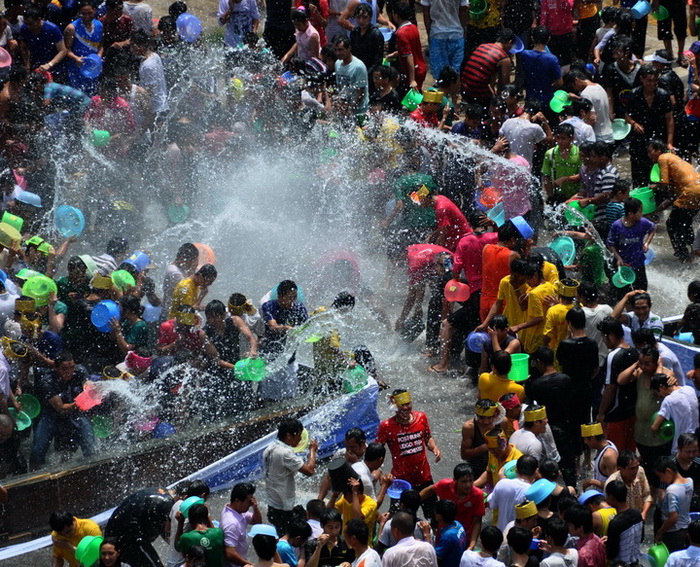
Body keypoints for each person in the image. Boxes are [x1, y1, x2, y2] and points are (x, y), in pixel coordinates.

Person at [376, 389, 441, 516]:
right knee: (399, 518)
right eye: (402, 405)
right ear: (394, 406)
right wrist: (378, 472)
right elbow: (377, 450)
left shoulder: (421, 417)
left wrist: (434, 448)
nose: (406, 408)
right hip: (401, 482)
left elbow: (428, 437)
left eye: (408, 404)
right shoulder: (386, 426)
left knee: (433, 516)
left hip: (424, 478)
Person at [29, 351, 97, 469]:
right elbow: (60, 408)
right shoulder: (47, 381)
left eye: (72, 367)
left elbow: (87, 383)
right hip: (51, 415)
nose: (69, 371)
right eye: (65, 369)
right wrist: (81, 401)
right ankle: (34, 477)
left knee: (90, 444)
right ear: (56, 368)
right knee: (38, 449)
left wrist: (90, 388)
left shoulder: (79, 370)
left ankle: (92, 470)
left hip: (75, 413)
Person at [263, 417, 318, 534]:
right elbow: (309, 471)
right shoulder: (285, 453)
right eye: (298, 435)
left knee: (282, 535)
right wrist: (313, 451)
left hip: (273, 504)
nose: (300, 439)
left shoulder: (269, 448)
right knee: (293, 538)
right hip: (284, 509)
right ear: (288, 436)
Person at [648, 139, 700, 262]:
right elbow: (671, 199)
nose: (648, 155)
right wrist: (655, 211)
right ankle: (694, 250)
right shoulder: (675, 161)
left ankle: (683, 255)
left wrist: (650, 187)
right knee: (685, 223)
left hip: (691, 191)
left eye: (650, 151)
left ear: (658, 150)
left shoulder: (663, 158)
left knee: (672, 224)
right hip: (697, 190)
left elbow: (663, 183)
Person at [595, 316, 639, 452]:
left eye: (604, 336)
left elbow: (610, 388)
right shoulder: (634, 351)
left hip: (615, 415)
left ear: (612, 336)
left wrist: (601, 414)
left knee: (612, 452)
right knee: (629, 453)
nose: (603, 340)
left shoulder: (614, 356)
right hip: (631, 412)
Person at [419, 463, 485, 551]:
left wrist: (472, 545)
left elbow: (477, 522)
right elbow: (430, 490)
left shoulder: (478, 495)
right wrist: (412, 501)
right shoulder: (445, 485)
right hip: (443, 534)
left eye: (471, 480)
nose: (469, 485)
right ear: (455, 480)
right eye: (464, 481)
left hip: (463, 538)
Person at [105, 488, 175, 567]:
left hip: (117, 532)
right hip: (126, 538)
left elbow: (167, 533)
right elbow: (167, 530)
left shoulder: (164, 494)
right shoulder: (168, 504)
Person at [607, 197, 656, 293]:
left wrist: (646, 243)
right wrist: (618, 257)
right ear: (631, 214)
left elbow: (653, 228)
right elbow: (610, 244)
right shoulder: (617, 226)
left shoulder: (643, 222)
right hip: (623, 265)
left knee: (642, 290)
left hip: (638, 263)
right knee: (623, 292)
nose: (642, 214)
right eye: (640, 211)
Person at [461, 28, 514, 109]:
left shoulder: (482, 46)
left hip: (465, 90)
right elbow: (505, 85)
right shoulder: (504, 58)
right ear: (509, 42)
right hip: (479, 95)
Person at [651, 373, 700, 454]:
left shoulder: (669, 400)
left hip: (682, 445)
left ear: (661, 387)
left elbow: (655, 427)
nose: (660, 396)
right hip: (697, 440)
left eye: (657, 393)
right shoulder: (690, 389)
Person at [63, 1, 103, 96]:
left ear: (95, 10)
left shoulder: (99, 25)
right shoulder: (72, 28)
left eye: (89, 13)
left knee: (93, 95)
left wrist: (98, 57)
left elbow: (101, 45)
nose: (86, 16)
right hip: (76, 69)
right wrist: (76, 58)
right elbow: (65, 50)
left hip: (94, 67)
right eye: (83, 14)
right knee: (79, 97)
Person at [655, 456, 694, 552]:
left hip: (674, 534)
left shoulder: (672, 490)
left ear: (668, 471)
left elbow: (673, 518)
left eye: (661, 476)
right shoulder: (690, 482)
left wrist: (660, 532)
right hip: (686, 528)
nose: (661, 480)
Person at [488, 455, 537, 531]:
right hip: (521, 536)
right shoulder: (533, 492)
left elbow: (491, 504)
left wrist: (502, 481)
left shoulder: (502, 483)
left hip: (501, 533)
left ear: (516, 470)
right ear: (536, 472)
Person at [420, 0, 467, 78]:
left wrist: (429, 33)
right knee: (455, 73)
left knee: (439, 73)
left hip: (437, 35)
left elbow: (426, 15)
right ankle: (454, 89)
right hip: (457, 35)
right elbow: (463, 13)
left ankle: (440, 89)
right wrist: (464, 32)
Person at [221, 482, 262, 566]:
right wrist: (250, 565)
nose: (250, 504)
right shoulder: (231, 523)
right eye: (248, 501)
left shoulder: (237, 511)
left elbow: (257, 522)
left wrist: (255, 507)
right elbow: (230, 553)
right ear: (237, 501)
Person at [389, 2, 427, 91]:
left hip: (414, 72)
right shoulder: (413, 27)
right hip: (421, 68)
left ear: (396, 15)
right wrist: (397, 53)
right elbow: (413, 48)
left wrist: (412, 79)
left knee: (411, 100)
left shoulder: (401, 33)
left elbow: (409, 56)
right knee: (417, 95)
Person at [604, 451, 653, 520]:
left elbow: (646, 496)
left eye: (637, 467)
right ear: (620, 469)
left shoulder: (640, 472)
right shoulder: (612, 483)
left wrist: (644, 513)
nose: (635, 471)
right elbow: (609, 509)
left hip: (639, 518)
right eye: (632, 468)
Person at [604, 480, 643, 566]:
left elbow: (612, 553)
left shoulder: (615, 523)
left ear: (612, 497)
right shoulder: (637, 514)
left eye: (607, 495)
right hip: (636, 562)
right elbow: (641, 538)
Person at [19, 6, 68, 75]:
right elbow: (24, 48)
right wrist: (27, 65)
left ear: (39, 20)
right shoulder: (24, 29)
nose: (28, 27)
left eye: (30, 24)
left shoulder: (52, 29)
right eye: (25, 23)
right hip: (36, 67)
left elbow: (63, 51)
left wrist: (49, 64)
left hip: (55, 68)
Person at [460, 399, 500, 481]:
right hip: (476, 468)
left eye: (489, 418)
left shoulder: (502, 423)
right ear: (477, 415)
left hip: (497, 466)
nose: (486, 422)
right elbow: (464, 455)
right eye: (482, 418)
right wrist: (484, 447)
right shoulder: (470, 427)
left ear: (495, 415)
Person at [581, 422, 618, 490]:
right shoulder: (607, 443)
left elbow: (615, 486)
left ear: (592, 438)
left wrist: (592, 482)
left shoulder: (608, 456)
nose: (585, 442)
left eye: (585, 439)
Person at [432, 500, 466, 567]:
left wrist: (427, 535)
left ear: (439, 516)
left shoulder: (448, 536)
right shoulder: (458, 524)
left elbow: (435, 557)